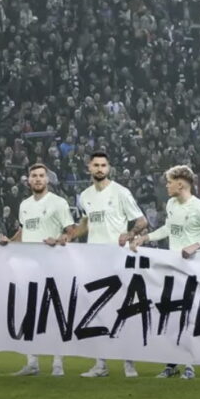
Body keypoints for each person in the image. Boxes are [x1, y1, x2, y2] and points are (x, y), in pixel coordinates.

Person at [128, 165, 200, 380]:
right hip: (172, 269)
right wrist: (146, 238)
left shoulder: (199, 208)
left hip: (192, 270)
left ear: (180, 184)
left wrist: (196, 245)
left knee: (188, 316)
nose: (167, 185)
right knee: (170, 316)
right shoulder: (171, 204)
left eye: (169, 181)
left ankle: (189, 364)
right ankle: (171, 364)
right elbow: (169, 229)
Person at [63, 151, 148, 378]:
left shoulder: (121, 192)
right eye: (96, 165)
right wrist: (70, 236)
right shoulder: (84, 196)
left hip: (118, 259)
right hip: (94, 260)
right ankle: (100, 365)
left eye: (103, 165)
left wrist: (129, 234)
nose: (100, 168)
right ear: (88, 168)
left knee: (123, 310)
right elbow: (86, 224)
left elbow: (141, 221)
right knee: (97, 311)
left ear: (108, 168)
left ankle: (129, 364)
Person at [1, 164, 74, 377]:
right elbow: (24, 231)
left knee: (53, 314)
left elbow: (70, 231)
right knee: (27, 313)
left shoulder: (58, 203)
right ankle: (32, 361)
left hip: (53, 266)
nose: (38, 179)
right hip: (28, 266)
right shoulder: (24, 205)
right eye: (34, 176)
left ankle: (57, 363)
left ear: (47, 179)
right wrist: (10, 241)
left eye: (41, 175)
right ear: (28, 180)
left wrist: (58, 239)